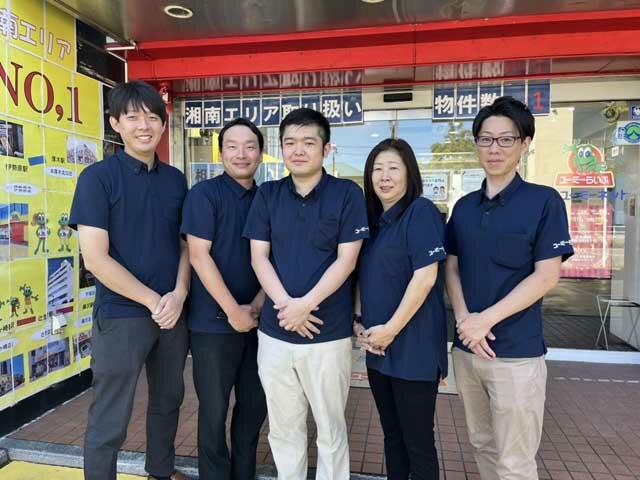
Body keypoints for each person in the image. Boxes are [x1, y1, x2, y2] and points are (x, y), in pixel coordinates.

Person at [444, 96, 574, 480]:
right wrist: (465, 320)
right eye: (486, 139)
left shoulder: (544, 202)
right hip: (468, 350)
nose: (494, 148)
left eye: (506, 139)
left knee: (515, 461)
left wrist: (484, 321)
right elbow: (452, 267)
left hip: (517, 355)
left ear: (525, 143)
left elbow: (547, 276)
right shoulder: (463, 207)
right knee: (482, 443)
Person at [70, 80, 189, 480]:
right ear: (115, 123)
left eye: (153, 117)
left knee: (169, 400)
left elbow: (185, 245)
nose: (144, 126)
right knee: (111, 413)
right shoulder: (97, 178)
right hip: (122, 315)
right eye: (133, 117)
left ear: (163, 124)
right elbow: (95, 259)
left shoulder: (175, 180)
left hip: (172, 314)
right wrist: (153, 300)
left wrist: (179, 293)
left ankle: (161, 471)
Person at [242, 108, 369, 480]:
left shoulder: (347, 194)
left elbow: (347, 260)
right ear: (281, 148)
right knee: (284, 428)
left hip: (327, 335)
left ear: (326, 149)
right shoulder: (268, 194)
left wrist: (306, 305)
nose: (298, 150)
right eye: (290, 143)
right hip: (275, 334)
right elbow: (258, 257)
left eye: (308, 143)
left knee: (331, 428)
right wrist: (287, 308)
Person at [181, 118, 267, 480]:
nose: (241, 154)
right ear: (220, 153)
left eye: (250, 146)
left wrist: (256, 307)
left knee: (254, 408)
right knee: (213, 413)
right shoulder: (204, 195)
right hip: (212, 326)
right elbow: (198, 255)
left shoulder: (270, 197)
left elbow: (278, 259)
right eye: (232, 146)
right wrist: (233, 311)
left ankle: (243, 474)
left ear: (261, 153)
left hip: (261, 324)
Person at [355, 138, 447, 480]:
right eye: (377, 169)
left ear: (410, 173)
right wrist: (359, 320)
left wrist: (391, 329)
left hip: (414, 349)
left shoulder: (420, 213)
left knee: (417, 442)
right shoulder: (374, 223)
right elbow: (365, 278)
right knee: (392, 436)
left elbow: (426, 277)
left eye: (394, 168)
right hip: (379, 349)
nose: (385, 176)